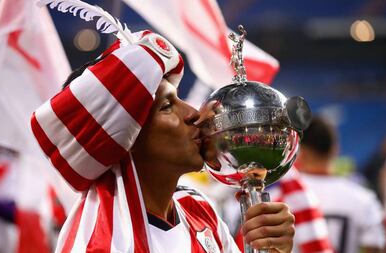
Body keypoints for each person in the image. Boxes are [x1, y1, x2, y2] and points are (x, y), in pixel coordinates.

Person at [30, 30, 295, 252]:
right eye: (167, 106)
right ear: (124, 139)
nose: (192, 113)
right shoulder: (100, 243)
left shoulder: (198, 209)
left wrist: (271, 249)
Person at [297, 116, 386, 253]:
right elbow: (375, 248)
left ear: (301, 151)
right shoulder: (363, 197)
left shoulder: (283, 193)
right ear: (335, 149)